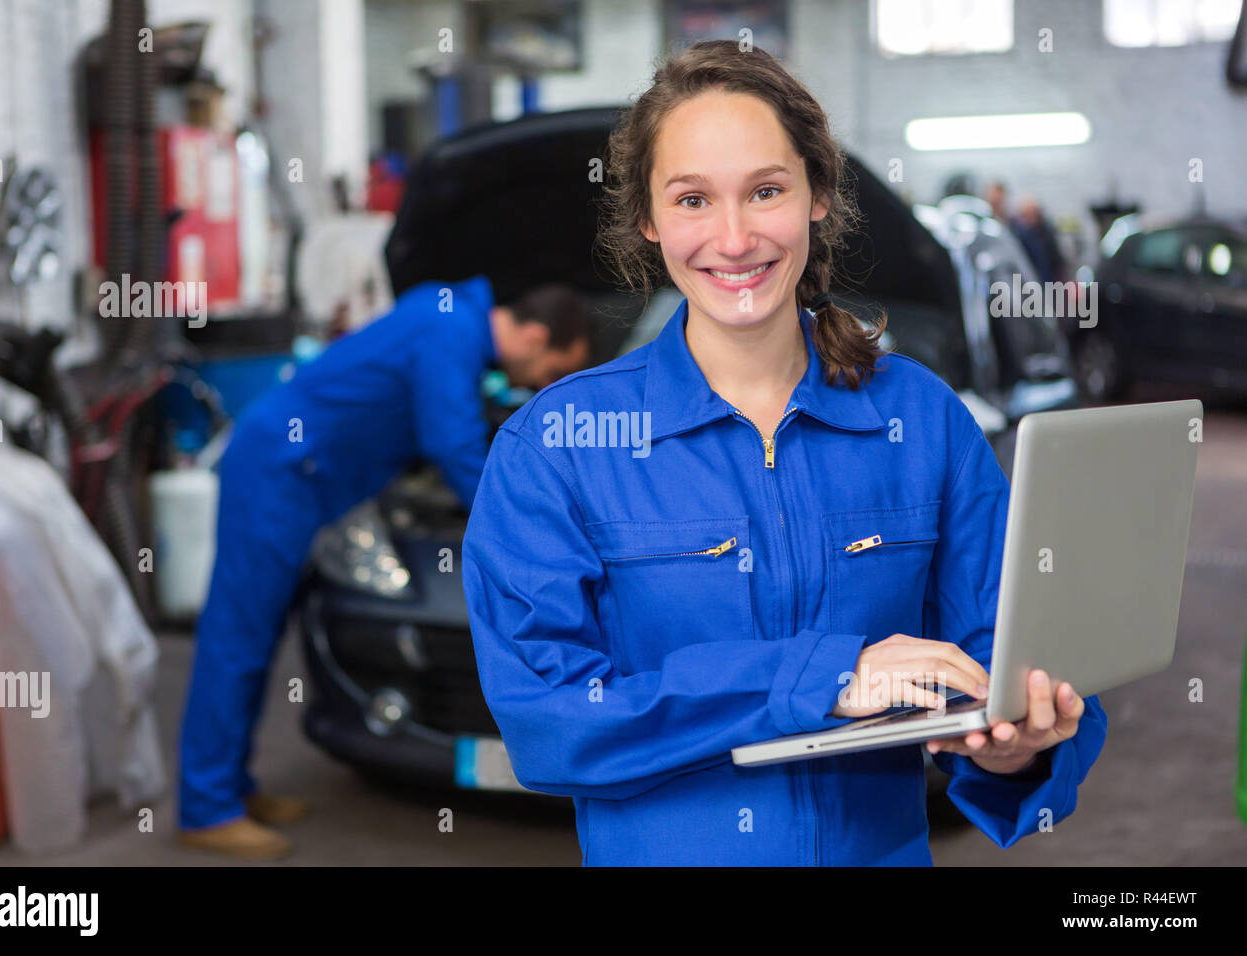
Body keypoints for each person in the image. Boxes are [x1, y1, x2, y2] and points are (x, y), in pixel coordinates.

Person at [461, 41, 1107, 866]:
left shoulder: (920, 419)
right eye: (693, 199)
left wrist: (1021, 746)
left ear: (818, 199)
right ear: (648, 220)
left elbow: (1005, 657)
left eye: (766, 190)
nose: (732, 239)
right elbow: (547, 720)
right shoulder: (558, 446)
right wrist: (826, 676)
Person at [177, 275, 591, 859]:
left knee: (257, 637)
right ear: (536, 337)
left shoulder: (449, 315)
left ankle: (233, 785)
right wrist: (520, 529)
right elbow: (453, 445)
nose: (540, 385)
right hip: (279, 472)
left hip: (307, 478)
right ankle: (205, 807)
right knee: (236, 639)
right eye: (551, 372)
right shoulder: (451, 331)